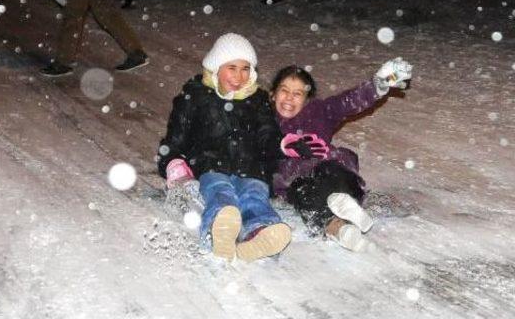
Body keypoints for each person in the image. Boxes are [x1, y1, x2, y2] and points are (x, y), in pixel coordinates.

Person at [157, 33, 291, 262]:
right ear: (216, 67)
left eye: (245, 68)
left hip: (251, 167)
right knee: (220, 191)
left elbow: (266, 133)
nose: (239, 77)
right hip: (210, 164)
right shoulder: (196, 95)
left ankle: (261, 231)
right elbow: (176, 136)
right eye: (232, 67)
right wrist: (172, 160)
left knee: (254, 196)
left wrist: (283, 144)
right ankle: (219, 226)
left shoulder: (257, 99)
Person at [270, 57, 413, 251]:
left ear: (307, 99)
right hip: (297, 178)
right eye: (284, 91)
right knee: (305, 192)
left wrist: (379, 84)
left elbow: (348, 101)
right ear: (273, 94)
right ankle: (340, 226)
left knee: (338, 174)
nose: (289, 98)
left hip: (330, 167)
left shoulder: (319, 111)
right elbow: (258, 146)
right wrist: (283, 147)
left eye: (297, 94)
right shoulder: (267, 121)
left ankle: (343, 207)